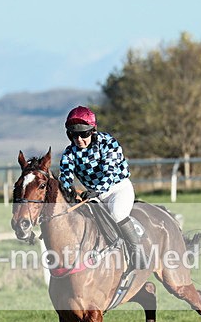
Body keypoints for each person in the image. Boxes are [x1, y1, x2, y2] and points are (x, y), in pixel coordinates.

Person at [58, 106, 146, 271]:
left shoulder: (108, 143)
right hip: (94, 197)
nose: (79, 139)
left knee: (117, 214)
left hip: (117, 189)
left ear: (92, 131)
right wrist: (65, 193)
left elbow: (110, 172)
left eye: (84, 134)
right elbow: (65, 178)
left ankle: (138, 252)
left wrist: (96, 191)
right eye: (73, 135)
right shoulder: (69, 153)